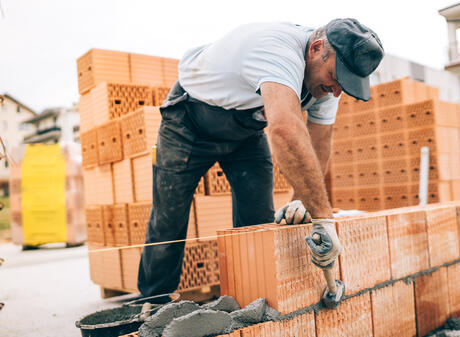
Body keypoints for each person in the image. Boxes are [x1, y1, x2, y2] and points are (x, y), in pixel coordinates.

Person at [137, 18, 384, 301]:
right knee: (168, 220)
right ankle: (152, 306)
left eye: (345, 84)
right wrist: (323, 217)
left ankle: (251, 302)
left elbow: (319, 142)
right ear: (316, 49)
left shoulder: (327, 78)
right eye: (336, 78)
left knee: (257, 220)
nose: (337, 91)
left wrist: (301, 201)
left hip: (246, 130)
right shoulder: (276, 50)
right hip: (189, 121)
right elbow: (284, 129)